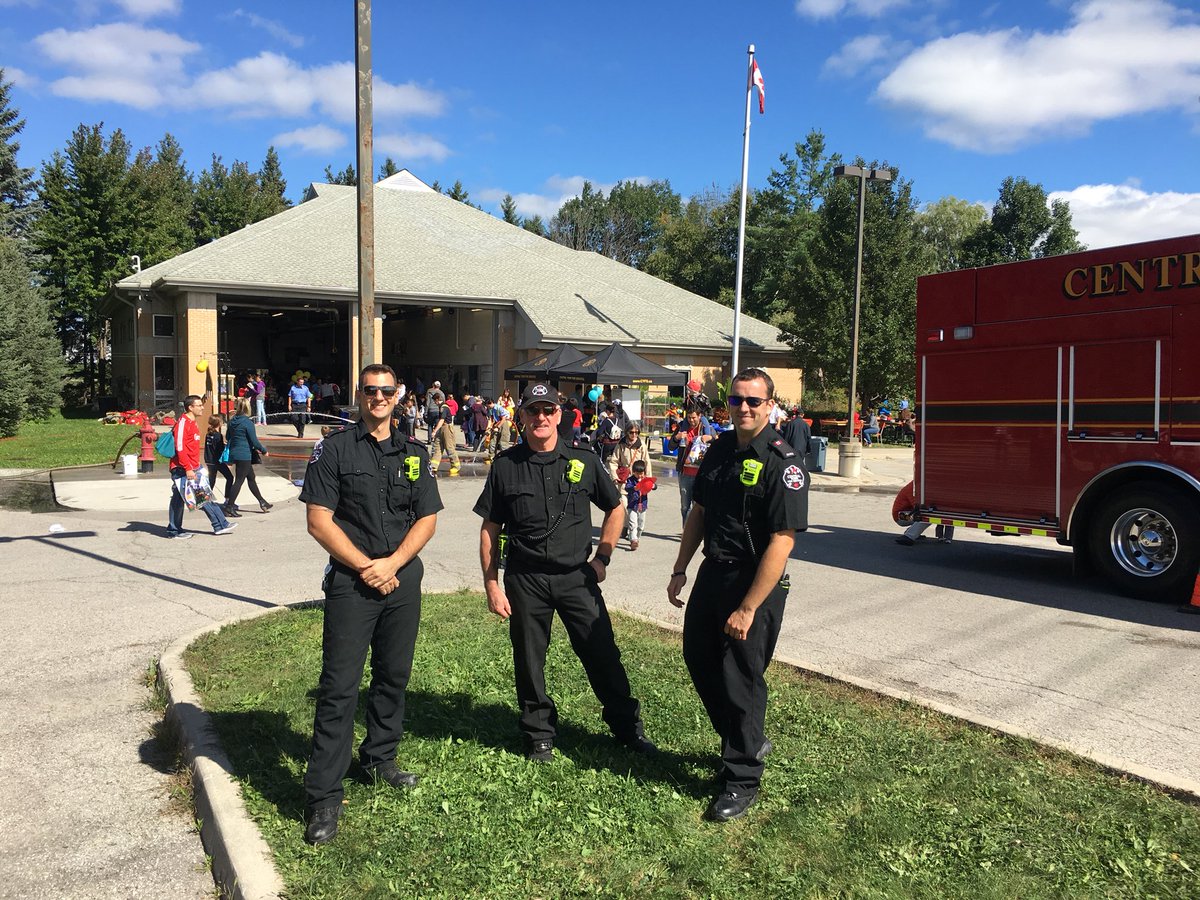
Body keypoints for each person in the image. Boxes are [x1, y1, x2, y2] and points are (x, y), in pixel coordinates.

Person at [299, 364, 443, 845]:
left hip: (402, 581)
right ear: (359, 394)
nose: (378, 398)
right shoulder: (334, 450)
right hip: (352, 583)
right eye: (370, 390)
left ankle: (380, 757)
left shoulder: (416, 453)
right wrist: (367, 566)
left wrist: (394, 564)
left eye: (386, 391)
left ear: (399, 395)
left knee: (393, 675)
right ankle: (324, 797)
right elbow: (319, 521)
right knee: (339, 687)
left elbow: (426, 519)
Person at [474, 382, 655, 762]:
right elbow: (490, 528)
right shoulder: (506, 466)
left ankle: (627, 728)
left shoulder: (584, 459)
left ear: (560, 415)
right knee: (529, 658)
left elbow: (616, 508)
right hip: (526, 579)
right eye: (533, 411)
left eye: (548, 410)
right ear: (521, 416)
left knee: (602, 652)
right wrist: (491, 583)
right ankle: (539, 733)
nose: (541, 417)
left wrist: (602, 557)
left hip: (577, 576)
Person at [667, 368, 807, 823]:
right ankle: (742, 740)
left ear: (770, 406)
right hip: (714, 572)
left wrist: (748, 607)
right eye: (735, 401)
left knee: (740, 677)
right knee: (698, 657)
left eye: (752, 401)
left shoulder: (783, 462)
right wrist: (680, 568)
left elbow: (782, 541)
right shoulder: (720, 449)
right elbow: (699, 513)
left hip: (755, 583)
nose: (743, 408)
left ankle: (742, 778)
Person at [166, 395, 237, 539]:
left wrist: (197, 465)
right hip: (183, 469)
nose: (202, 407)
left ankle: (218, 524)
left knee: (193, 497)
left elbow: (191, 448)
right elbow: (180, 447)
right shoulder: (183, 423)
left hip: (192, 467)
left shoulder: (193, 423)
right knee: (198, 497)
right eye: (198, 405)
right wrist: (188, 468)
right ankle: (218, 524)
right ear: (190, 407)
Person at [222, 397, 272, 516]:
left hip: (236, 453)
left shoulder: (232, 421)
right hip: (245, 454)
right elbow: (254, 441)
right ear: (247, 408)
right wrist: (264, 450)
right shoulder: (247, 423)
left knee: (251, 478)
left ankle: (262, 502)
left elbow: (228, 436)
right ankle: (229, 507)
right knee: (239, 480)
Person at [668, 409, 716, 527]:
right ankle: (686, 531)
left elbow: (718, 441)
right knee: (685, 506)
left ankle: (697, 531)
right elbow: (671, 447)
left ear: (699, 416)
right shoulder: (682, 427)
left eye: (694, 417)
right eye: (689, 417)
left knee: (698, 505)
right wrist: (676, 438)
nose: (691, 420)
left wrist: (709, 438)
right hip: (685, 473)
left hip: (700, 473)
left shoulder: (706, 428)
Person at [623, 459, 654, 551]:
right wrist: (634, 488)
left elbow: (654, 485)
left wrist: (652, 485)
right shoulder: (630, 480)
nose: (640, 475)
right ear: (634, 472)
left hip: (642, 506)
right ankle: (633, 540)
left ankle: (637, 537)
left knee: (641, 525)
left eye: (641, 473)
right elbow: (627, 488)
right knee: (633, 524)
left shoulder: (646, 480)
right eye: (637, 473)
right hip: (632, 505)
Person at [204, 414, 234, 503]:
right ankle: (227, 498)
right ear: (219, 423)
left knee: (211, 479)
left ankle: (206, 499)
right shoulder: (218, 435)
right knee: (230, 477)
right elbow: (219, 450)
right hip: (216, 461)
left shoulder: (208, 434)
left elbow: (211, 446)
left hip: (209, 460)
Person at [432, 399, 460, 476]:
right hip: (442, 428)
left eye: (435, 402)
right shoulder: (442, 407)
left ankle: (456, 466)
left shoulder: (444, 407)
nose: (435, 403)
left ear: (437, 400)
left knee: (449, 447)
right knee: (437, 446)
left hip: (447, 428)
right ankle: (434, 465)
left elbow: (442, 420)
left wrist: (434, 431)